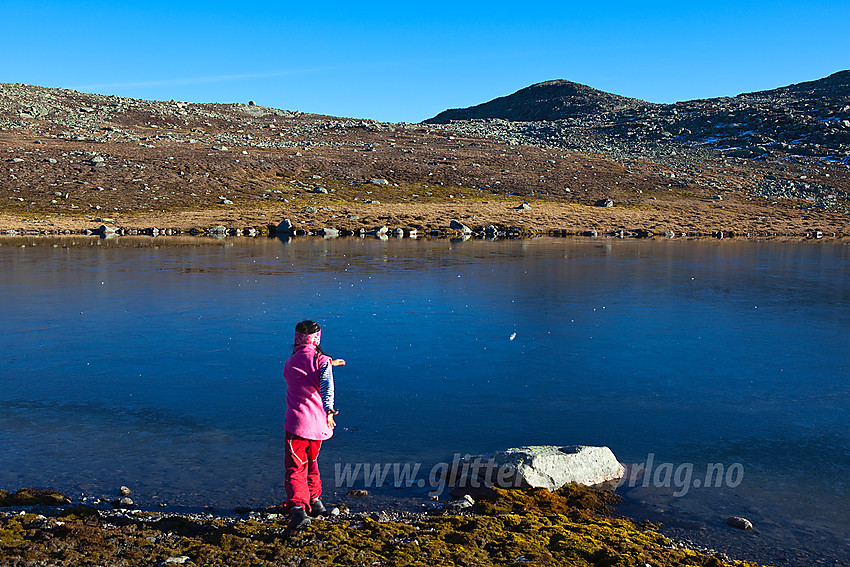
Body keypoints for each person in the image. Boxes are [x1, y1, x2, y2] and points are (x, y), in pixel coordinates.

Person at [282, 320, 345, 531]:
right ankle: (316, 501)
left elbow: (304, 371)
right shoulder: (322, 361)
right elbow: (326, 385)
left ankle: (299, 508)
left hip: (296, 426)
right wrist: (329, 411)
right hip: (318, 426)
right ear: (318, 340)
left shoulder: (290, 363)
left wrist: (327, 364)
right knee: (312, 462)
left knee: (295, 467)